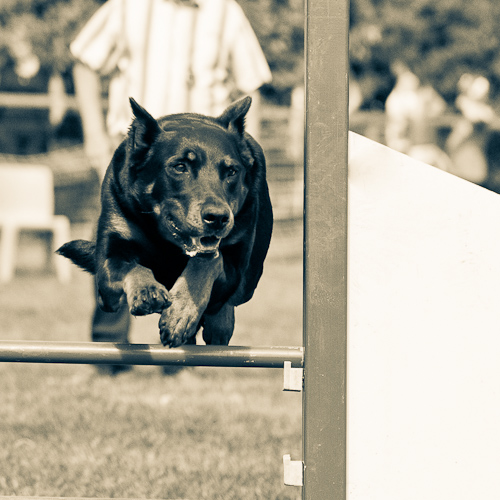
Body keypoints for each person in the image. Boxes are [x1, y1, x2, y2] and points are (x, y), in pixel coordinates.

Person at [70, 0, 272, 373]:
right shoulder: (127, 6)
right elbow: (85, 61)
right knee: (118, 249)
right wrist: (94, 133)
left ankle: (179, 365)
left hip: (209, 165)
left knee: (203, 247)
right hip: (145, 160)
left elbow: (250, 86)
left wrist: (242, 160)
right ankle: (106, 359)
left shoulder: (225, 11)